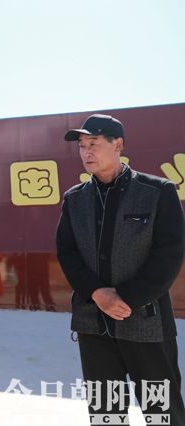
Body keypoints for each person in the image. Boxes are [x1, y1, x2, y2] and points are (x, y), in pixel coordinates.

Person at [56, 114, 185, 425]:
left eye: (94, 143)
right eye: (82, 145)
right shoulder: (74, 199)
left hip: (146, 323)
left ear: (118, 145)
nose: (86, 151)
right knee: (106, 414)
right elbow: (68, 253)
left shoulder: (158, 191)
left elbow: (169, 254)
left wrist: (126, 297)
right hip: (93, 324)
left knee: (163, 413)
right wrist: (96, 293)